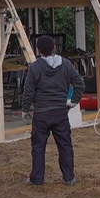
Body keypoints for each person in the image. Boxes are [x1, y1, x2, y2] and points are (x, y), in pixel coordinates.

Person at [21, 35, 85, 187]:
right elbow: (80, 84)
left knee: (38, 147)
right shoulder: (66, 64)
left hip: (41, 113)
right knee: (65, 145)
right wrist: (73, 101)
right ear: (54, 48)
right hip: (60, 112)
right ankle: (69, 177)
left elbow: (28, 91)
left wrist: (25, 109)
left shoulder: (35, 67)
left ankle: (37, 178)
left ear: (39, 51)